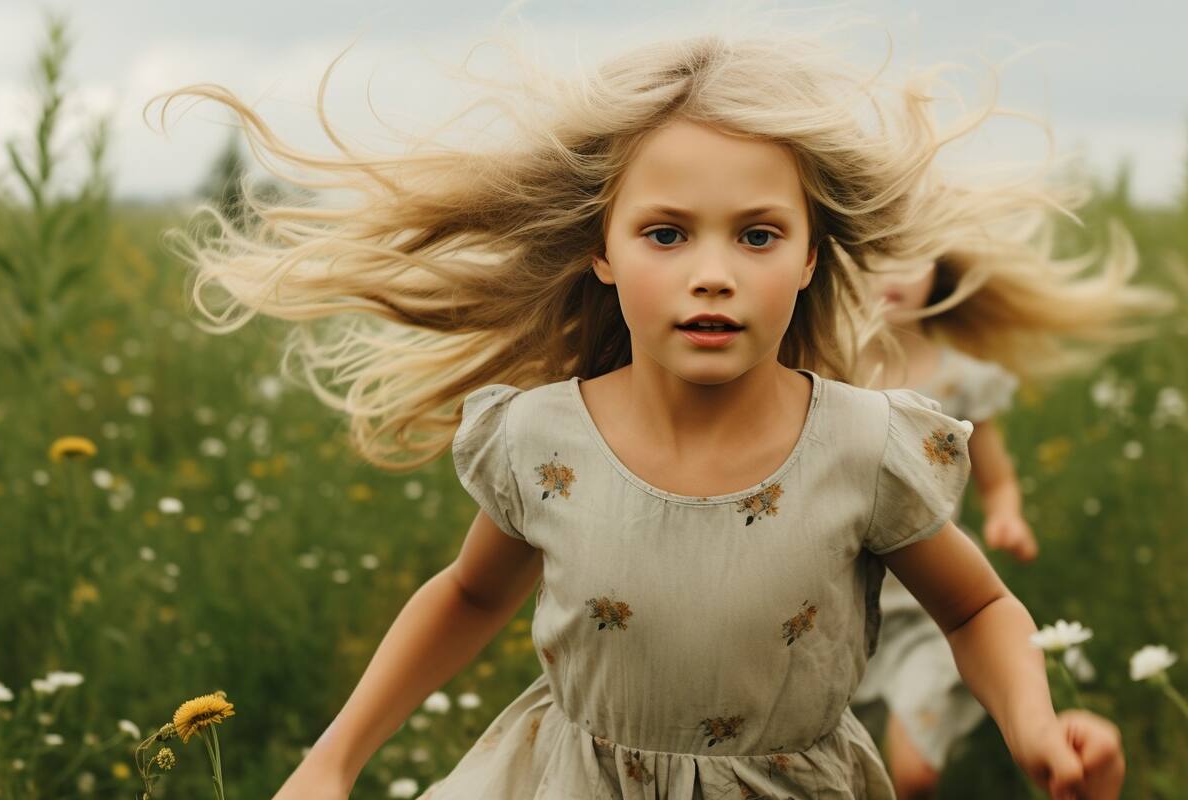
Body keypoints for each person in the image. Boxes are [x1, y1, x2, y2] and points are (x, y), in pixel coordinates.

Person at [150, 25, 1127, 800]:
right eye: (666, 233)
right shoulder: (540, 438)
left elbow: (977, 605)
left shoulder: (867, 444)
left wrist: (1036, 726)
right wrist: (334, 757)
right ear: (603, 251)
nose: (711, 274)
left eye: (757, 234)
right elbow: (470, 595)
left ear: (811, 256)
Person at [854, 242, 1168, 798]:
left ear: (939, 274)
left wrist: (1007, 518)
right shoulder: (826, 363)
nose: (894, 274)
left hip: (933, 594)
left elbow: (997, 479)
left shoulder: (962, 379)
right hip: (844, 591)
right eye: (876, 256)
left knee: (914, 774)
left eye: (914, 258)